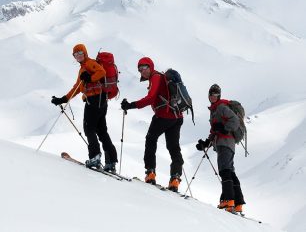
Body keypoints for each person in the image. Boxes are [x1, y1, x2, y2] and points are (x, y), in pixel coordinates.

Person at [51, 44, 118, 172]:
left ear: (85, 52)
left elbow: (102, 72)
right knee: (102, 131)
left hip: (94, 100)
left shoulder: (89, 63)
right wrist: (63, 99)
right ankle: (111, 161)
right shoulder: (83, 68)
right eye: (75, 54)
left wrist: (90, 78)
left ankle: (95, 157)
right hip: (101, 100)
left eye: (80, 53)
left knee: (89, 128)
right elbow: (78, 86)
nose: (78, 56)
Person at [121, 57, 184, 192]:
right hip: (176, 117)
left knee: (150, 139)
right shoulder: (160, 77)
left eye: (145, 68)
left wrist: (130, 105)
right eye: (140, 69)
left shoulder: (156, 77)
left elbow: (150, 98)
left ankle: (150, 172)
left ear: (151, 66)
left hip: (164, 116)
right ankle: (175, 178)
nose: (142, 71)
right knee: (173, 147)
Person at [196, 84, 245, 213]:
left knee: (224, 171)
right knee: (230, 171)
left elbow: (234, 121)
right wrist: (206, 143)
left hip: (226, 143)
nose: (213, 97)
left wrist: (223, 128)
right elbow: (215, 130)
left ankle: (228, 200)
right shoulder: (214, 109)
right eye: (211, 95)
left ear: (219, 96)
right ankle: (238, 203)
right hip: (224, 143)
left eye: (215, 95)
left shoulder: (222, 107)